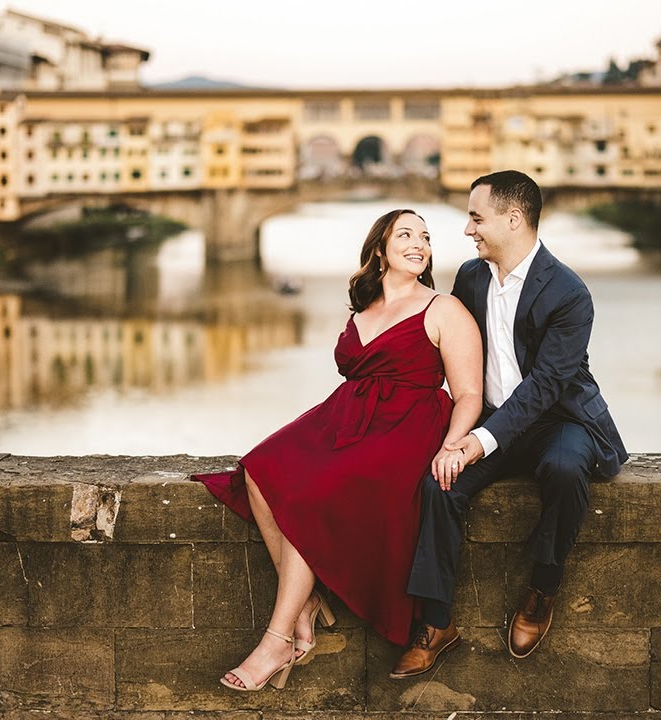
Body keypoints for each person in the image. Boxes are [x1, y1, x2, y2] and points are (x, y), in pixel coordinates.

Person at [196, 208, 483, 691]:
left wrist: (453, 445)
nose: (420, 244)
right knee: (260, 471)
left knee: (317, 494)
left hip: (407, 427)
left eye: (426, 237)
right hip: (346, 417)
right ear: (379, 249)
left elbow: (470, 393)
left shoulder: (444, 309)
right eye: (406, 235)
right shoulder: (364, 307)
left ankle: (277, 638)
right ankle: (305, 601)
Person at [391, 171, 628, 679]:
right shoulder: (472, 278)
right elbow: (447, 355)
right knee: (439, 482)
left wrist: (475, 443)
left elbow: (545, 387)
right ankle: (436, 624)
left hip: (558, 419)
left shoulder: (569, 293)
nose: (467, 230)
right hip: (493, 416)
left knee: (566, 471)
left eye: (476, 217)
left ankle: (543, 587)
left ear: (513, 219)